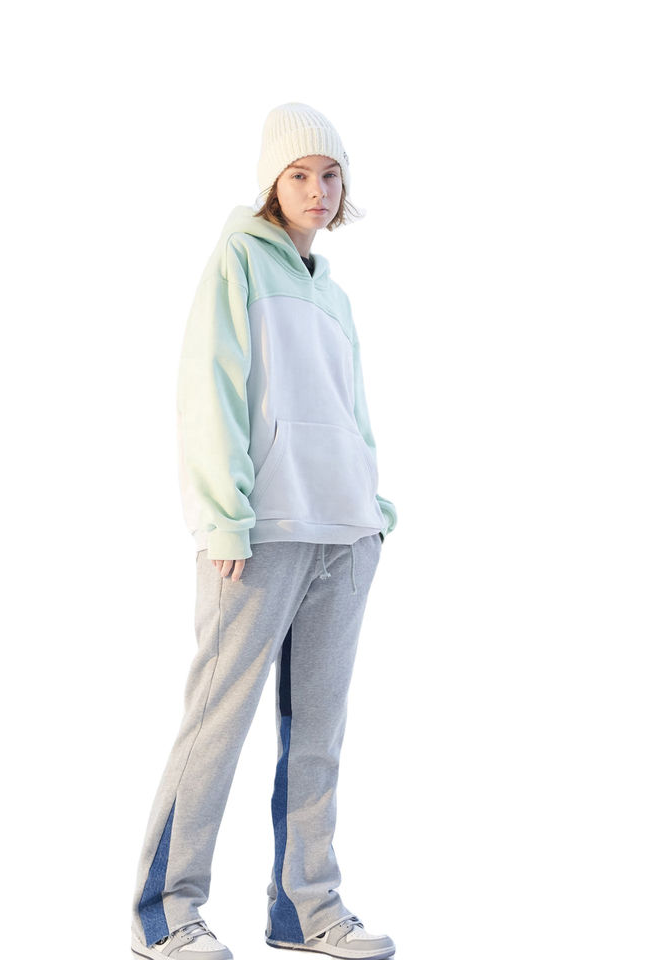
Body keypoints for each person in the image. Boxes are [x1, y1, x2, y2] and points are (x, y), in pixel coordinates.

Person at [130, 102, 398, 960]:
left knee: (318, 734)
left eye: (331, 175)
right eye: (299, 174)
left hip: (344, 534)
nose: (318, 189)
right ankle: (165, 911)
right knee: (217, 723)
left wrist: (375, 511)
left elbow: (351, 411)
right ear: (271, 184)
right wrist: (223, 516)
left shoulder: (334, 294)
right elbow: (208, 387)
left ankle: (306, 907)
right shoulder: (238, 262)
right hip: (259, 532)